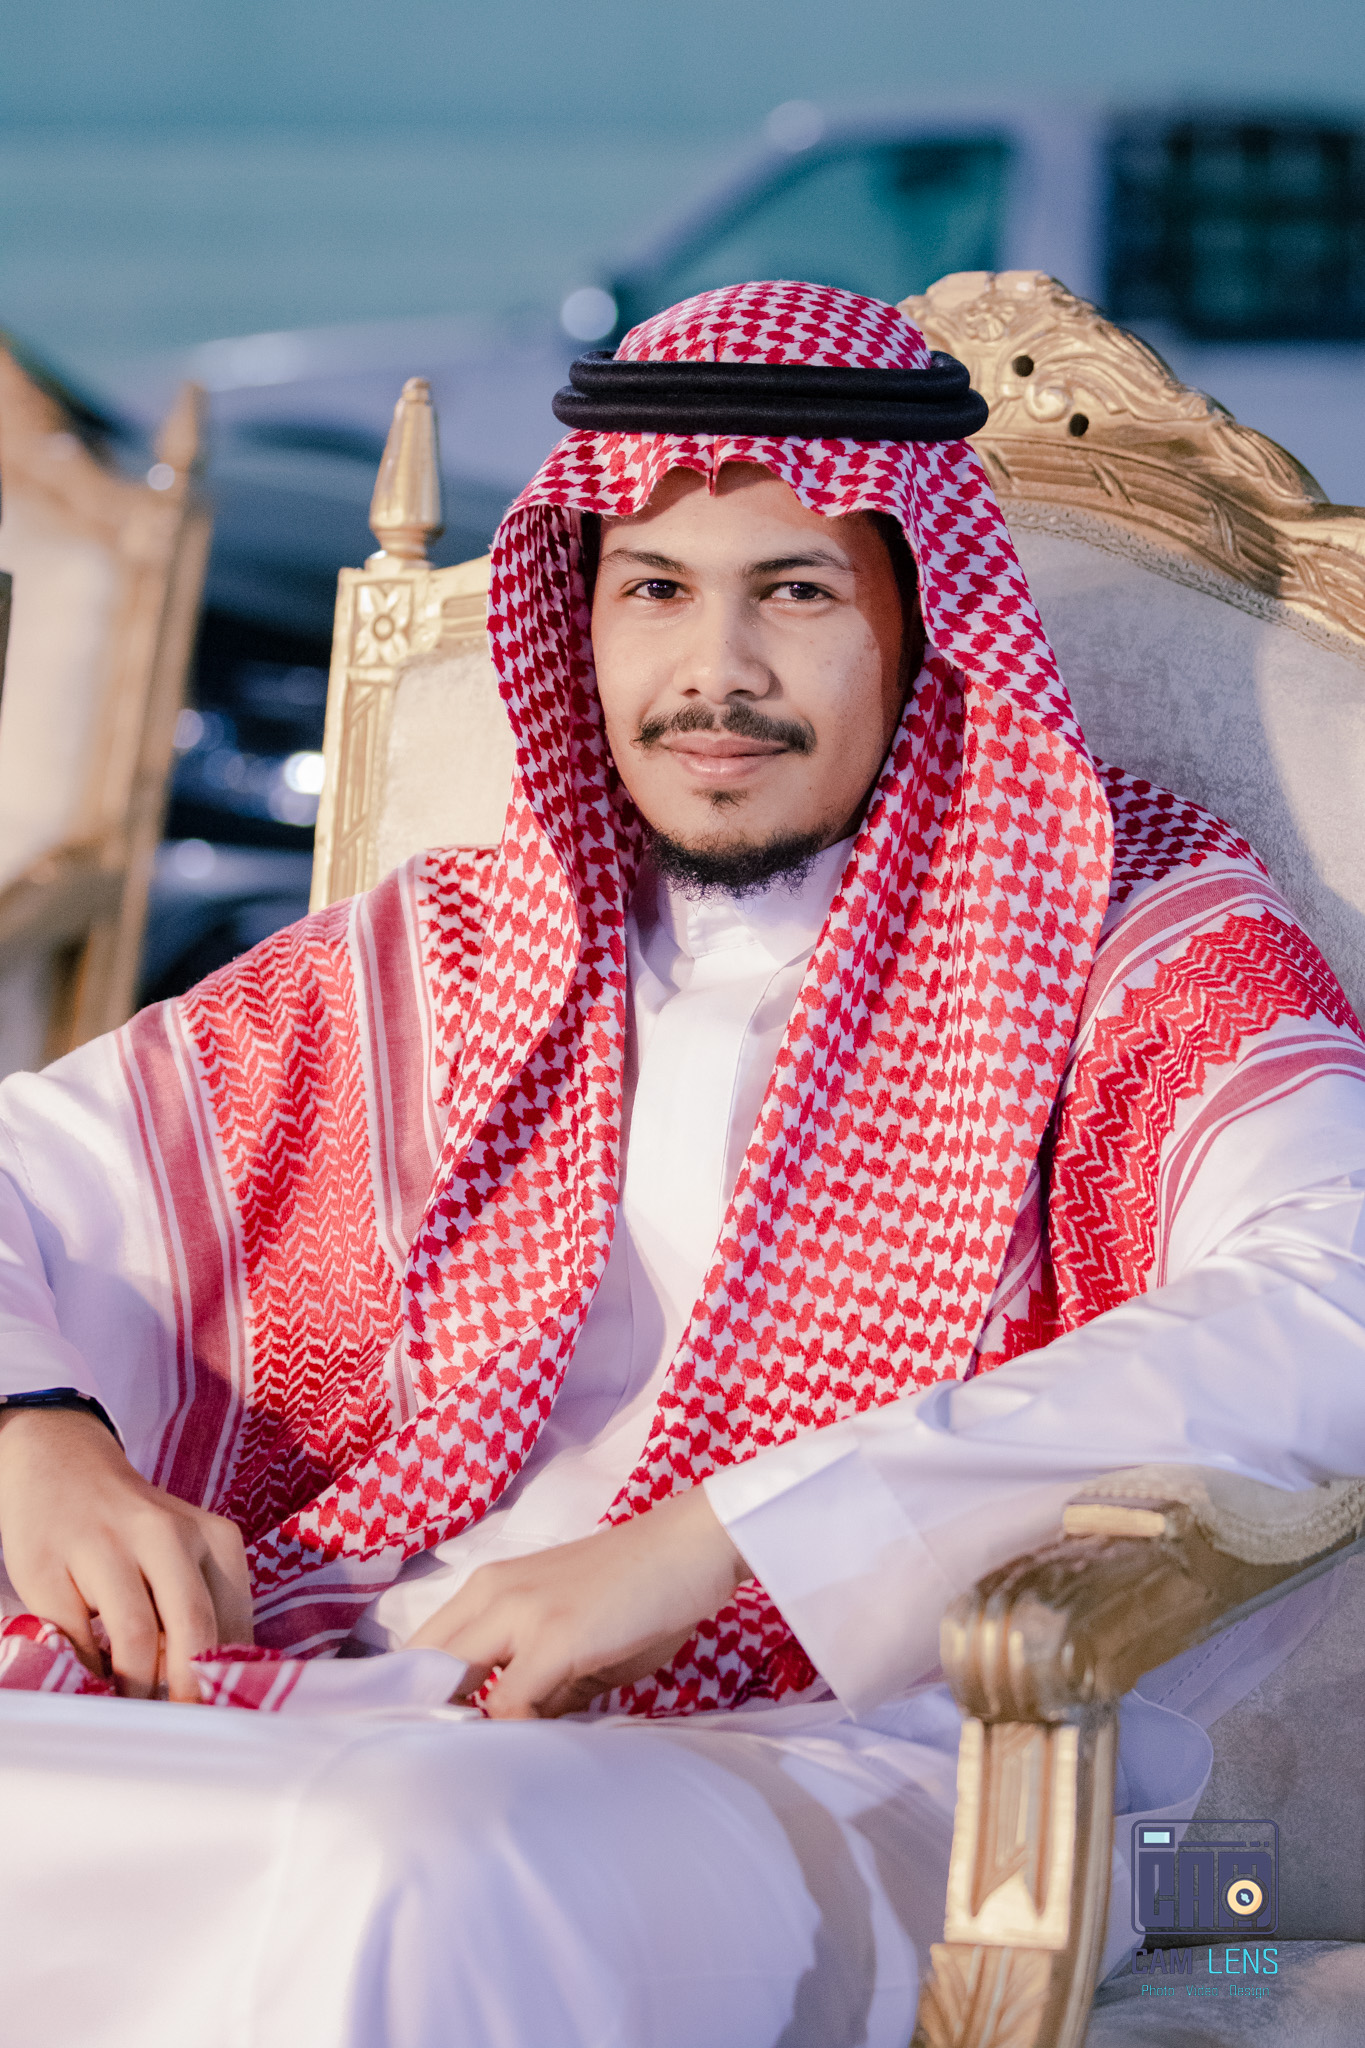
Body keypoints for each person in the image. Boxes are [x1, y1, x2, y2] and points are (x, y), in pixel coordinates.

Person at [1, 279, 1364, 2047]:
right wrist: (37, 1435)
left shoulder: (1131, 933)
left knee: (415, 1860)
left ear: (921, 620)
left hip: (882, 1749)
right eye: (653, 589)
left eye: (793, 591)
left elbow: (1330, 1300)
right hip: (368, 1676)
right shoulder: (439, 955)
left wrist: (727, 1543)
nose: (713, 672)